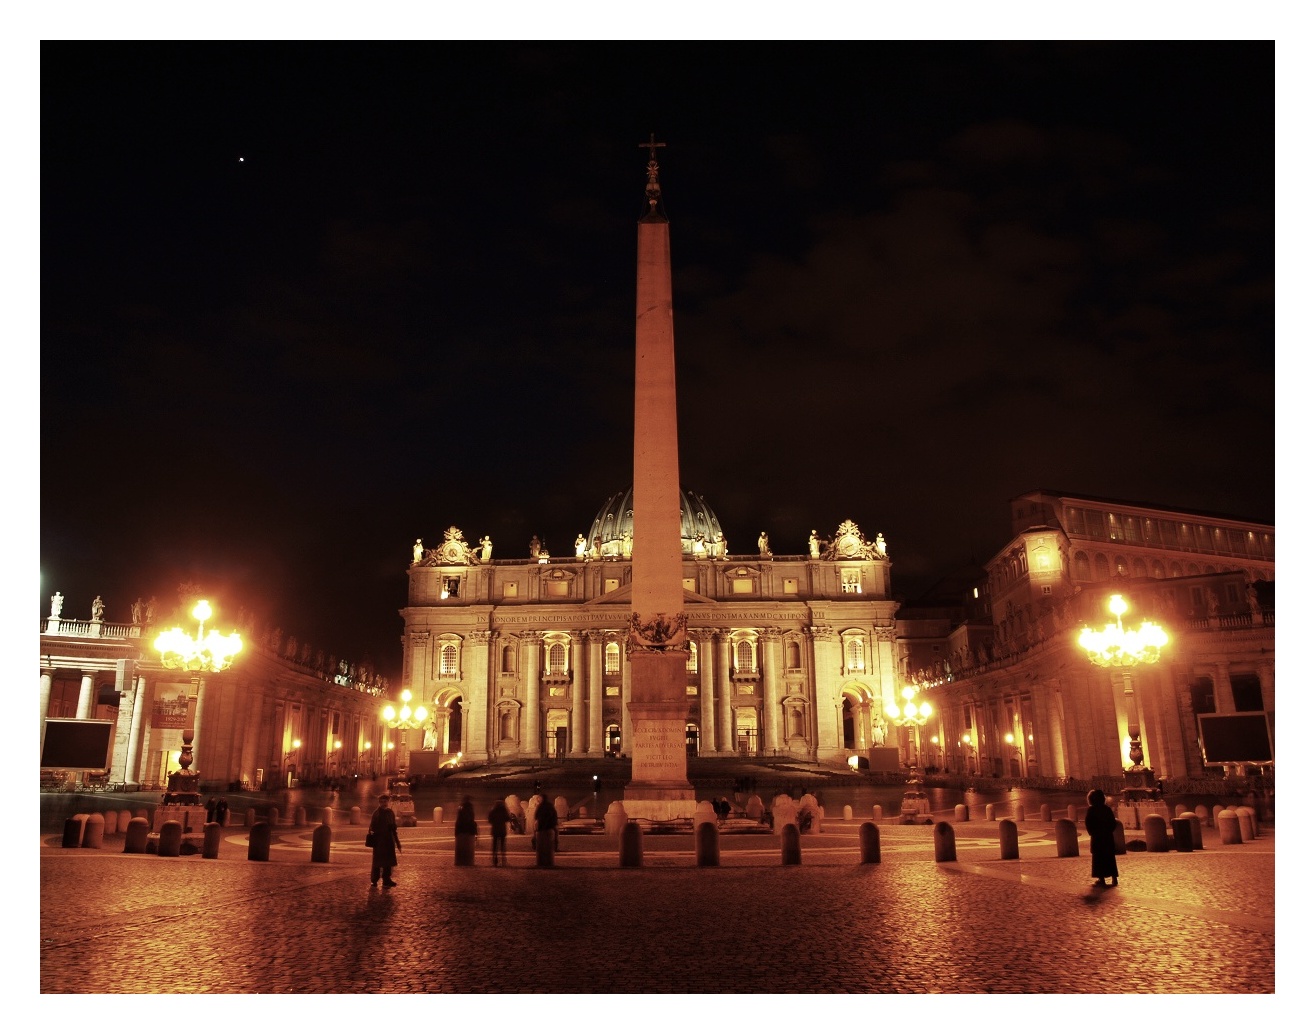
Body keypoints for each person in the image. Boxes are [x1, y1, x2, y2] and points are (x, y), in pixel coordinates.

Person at [1084, 788, 1118, 887]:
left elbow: (1088, 823)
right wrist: (1109, 831)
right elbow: (1113, 822)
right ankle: (1114, 878)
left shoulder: (1092, 810)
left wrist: (1092, 833)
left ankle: (1101, 878)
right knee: (1110, 857)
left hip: (1097, 837)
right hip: (1107, 837)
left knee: (1098, 858)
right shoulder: (1106, 809)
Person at [368, 793, 402, 888]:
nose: (383, 803)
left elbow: (393, 828)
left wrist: (397, 841)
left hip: (389, 840)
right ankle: (374, 880)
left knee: (388, 861)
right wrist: (374, 834)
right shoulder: (376, 813)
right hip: (379, 841)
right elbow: (372, 827)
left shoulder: (390, 812)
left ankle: (386, 879)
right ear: (379, 802)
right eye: (382, 802)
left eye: (385, 801)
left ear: (388, 802)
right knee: (377, 861)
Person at [487, 798, 510, 866]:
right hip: (502, 830)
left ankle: (495, 859)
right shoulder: (504, 810)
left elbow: (489, 820)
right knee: (502, 846)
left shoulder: (493, 810)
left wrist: (494, 822)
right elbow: (507, 818)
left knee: (494, 846)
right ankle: (503, 860)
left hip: (495, 830)